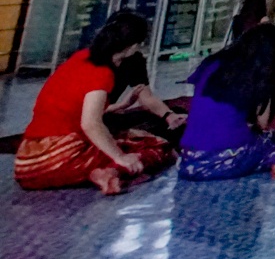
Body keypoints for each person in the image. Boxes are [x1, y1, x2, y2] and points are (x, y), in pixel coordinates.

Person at [14, 12, 177, 194]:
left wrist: (121, 106)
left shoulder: (82, 58)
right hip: (63, 155)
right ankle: (111, 170)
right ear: (132, 46)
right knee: (157, 145)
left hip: (28, 163)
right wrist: (120, 157)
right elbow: (90, 123)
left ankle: (98, 171)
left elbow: (74, 109)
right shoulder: (102, 73)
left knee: (118, 137)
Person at [179, 23, 275, 181]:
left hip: (188, 159)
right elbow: (262, 124)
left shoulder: (213, 63)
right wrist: (273, 79)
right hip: (222, 161)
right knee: (274, 142)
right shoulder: (258, 73)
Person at [102, 50, 186, 144]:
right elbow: (88, 112)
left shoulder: (133, 58)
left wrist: (169, 116)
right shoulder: (93, 58)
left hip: (107, 114)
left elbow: (146, 97)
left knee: (176, 118)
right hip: (92, 119)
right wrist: (122, 105)